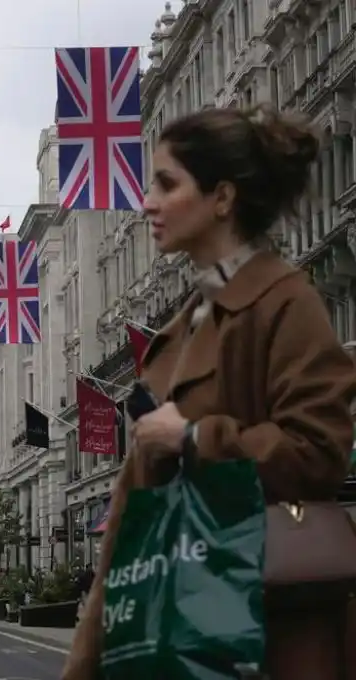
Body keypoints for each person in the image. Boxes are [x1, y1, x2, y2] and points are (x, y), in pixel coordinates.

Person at [62, 104, 356, 680]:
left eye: (167, 184)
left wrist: (196, 437)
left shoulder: (283, 302)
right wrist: (84, 663)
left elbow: (318, 452)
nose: (147, 203)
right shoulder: (178, 331)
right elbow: (127, 522)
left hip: (266, 634)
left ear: (222, 198)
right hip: (177, 629)